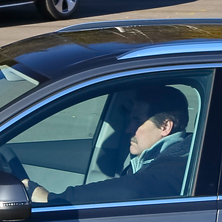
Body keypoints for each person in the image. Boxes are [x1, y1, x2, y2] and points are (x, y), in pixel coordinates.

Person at [28, 85, 192, 205]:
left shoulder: (178, 164)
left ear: (165, 127)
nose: (129, 129)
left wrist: (54, 199)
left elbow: (132, 190)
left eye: (137, 121)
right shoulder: (148, 160)